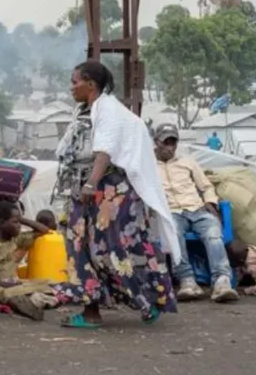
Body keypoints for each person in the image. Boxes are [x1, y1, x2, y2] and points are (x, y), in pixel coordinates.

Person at [52, 60, 178, 328]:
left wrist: (91, 184)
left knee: (111, 247)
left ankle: (147, 300)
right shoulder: (84, 110)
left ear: (91, 84)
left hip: (106, 192)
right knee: (79, 247)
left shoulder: (108, 109)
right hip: (84, 190)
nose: (71, 87)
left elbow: (104, 151)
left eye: (75, 82)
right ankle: (90, 311)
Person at [154, 123, 239, 303]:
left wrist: (210, 202)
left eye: (173, 143)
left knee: (214, 233)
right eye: (166, 142)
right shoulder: (149, 165)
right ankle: (187, 281)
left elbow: (206, 186)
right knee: (174, 233)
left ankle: (222, 281)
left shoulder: (188, 161)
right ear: (156, 142)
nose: (170, 147)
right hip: (171, 212)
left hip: (196, 208)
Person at [0, 202, 56, 321]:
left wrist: (21, 219)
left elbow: (44, 230)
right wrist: (12, 285)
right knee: (4, 292)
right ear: (2, 223)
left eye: (19, 222)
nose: (19, 226)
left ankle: (31, 299)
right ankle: (29, 302)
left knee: (47, 283)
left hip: (15, 283)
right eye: (15, 222)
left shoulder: (15, 240)